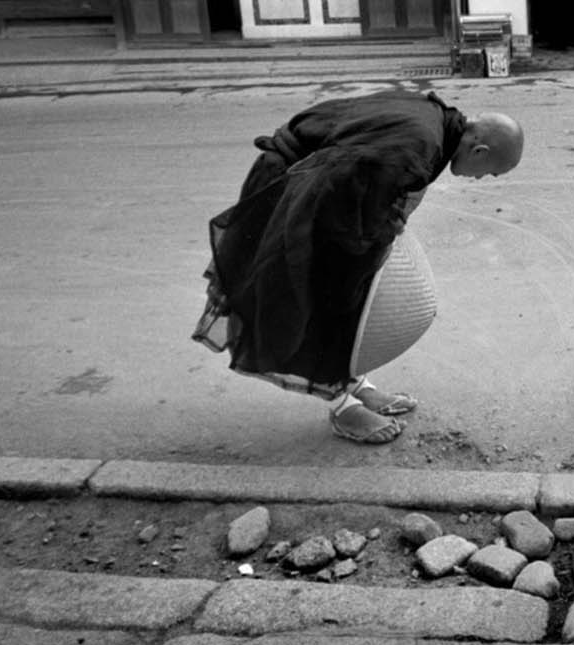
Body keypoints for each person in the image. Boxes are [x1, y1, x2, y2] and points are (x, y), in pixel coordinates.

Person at [192, 90, 524, 444]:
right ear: (480, 152)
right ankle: (341, 405)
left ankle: (354, 382)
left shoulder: (434, 116)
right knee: (328, 296)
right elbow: (348, 216)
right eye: (489, 174)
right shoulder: (417, 145)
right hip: (295, 189)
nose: (479, 179)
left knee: (352, 291)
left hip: (315, 182)